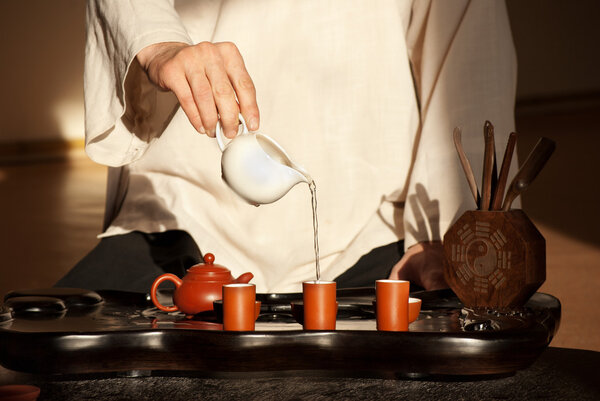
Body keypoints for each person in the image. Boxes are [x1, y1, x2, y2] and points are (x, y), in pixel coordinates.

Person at [56, 0, 518, 294]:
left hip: (369, 226)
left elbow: (467, 52)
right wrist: (160, 46)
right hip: (186, 209)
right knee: (73, 356)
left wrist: (444, 235)